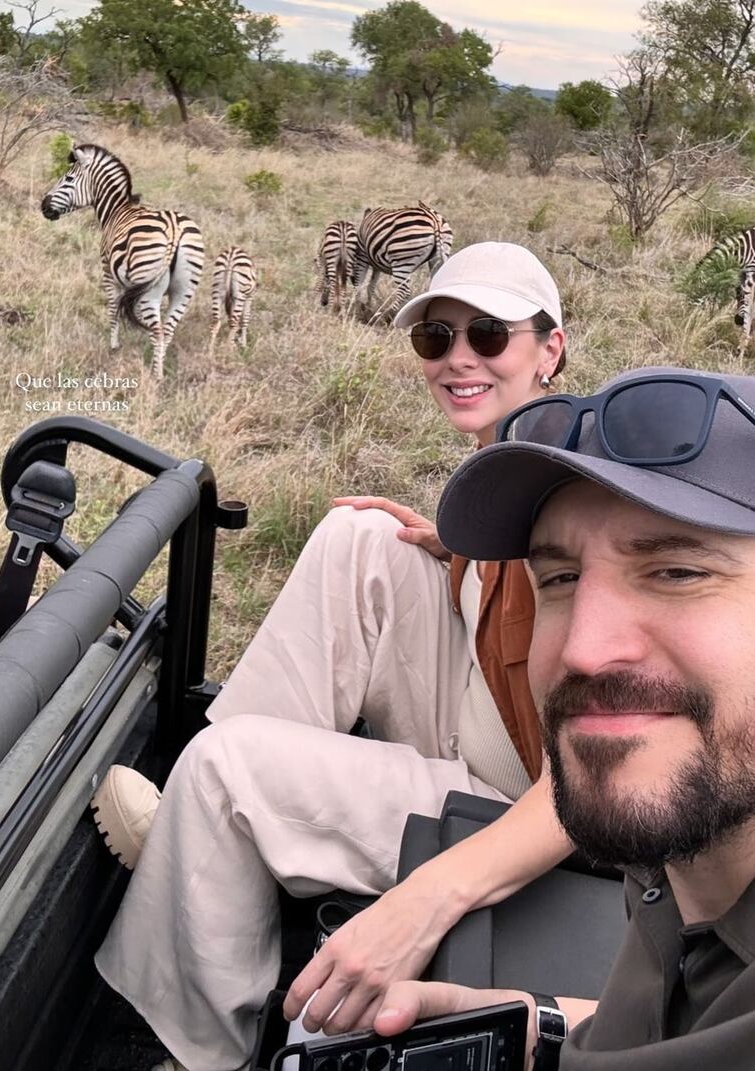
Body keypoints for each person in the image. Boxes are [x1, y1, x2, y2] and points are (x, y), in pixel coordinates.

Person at [94, 242, 578, 1071]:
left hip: (525, 806)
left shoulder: (580, 497)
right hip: (488, 719)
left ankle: (207, 1045)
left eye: (490, 335)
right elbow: (509, 600)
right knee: (362, 534)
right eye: (437, 337)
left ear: (550, 348)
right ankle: (216, 832)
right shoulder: (517, 456)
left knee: (223, 767)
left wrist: (439, 891)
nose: (459, 356)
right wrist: (450, 544)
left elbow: (596, 776)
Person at [369, 366, 755, 1070]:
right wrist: (532, 1022)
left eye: (676, 571)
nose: (582, 649)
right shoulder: (672, 857)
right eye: (560, 578)